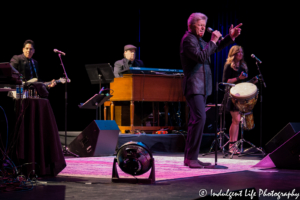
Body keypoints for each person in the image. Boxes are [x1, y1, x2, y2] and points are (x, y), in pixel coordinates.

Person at [180, 12, 242, 168]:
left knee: (196, 120)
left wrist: (229, 38)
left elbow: (211, 50)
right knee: (199, 119)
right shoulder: (188, 40)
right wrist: (213, 41)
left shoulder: (199, 40)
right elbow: (201, 57)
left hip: (201, 86)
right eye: (199, 25)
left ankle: (190, 158)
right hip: (193, 86)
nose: (202, 28)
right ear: (190, 26)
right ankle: (192, 158)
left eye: (203, 26)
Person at [222, 45, 258, 154]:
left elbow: (242, 84)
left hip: (241, 97)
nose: (241, 54)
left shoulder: (243, 66)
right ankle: (232, 145)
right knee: (236, 120)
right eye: (238, 52)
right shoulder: (229, 65)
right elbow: (225, 80)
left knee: (236, 121)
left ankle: (233, 145)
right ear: (234, 54)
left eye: (242, 52)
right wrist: (238, 78)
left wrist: (251, 81)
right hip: (232, 95)